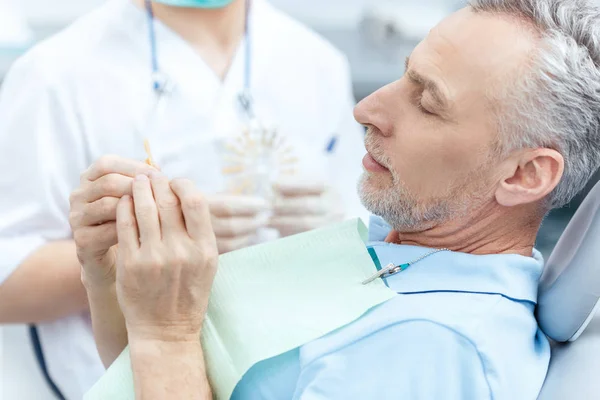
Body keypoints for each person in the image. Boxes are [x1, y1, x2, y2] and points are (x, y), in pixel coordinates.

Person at [75, 0, 600, 398]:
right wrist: (114, 278)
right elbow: (150, 376)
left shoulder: (429, 347)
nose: (367, 108)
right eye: (403, 74)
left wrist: (166, 333)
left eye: (427, 102)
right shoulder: (400, 254)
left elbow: (168, 354)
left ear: (526, 174)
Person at [0, 0, 366, 398]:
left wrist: (332, 232)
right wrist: (147, 246)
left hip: (286, 381)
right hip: (113, 380)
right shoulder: (56, 73)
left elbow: (371, 241)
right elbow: (8, 283)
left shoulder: (316, 62)